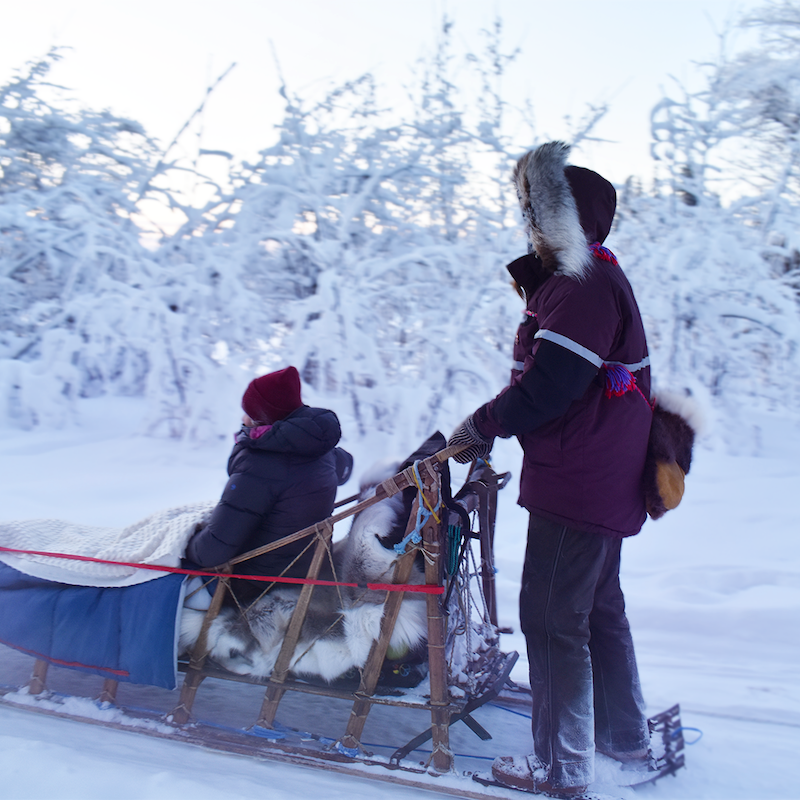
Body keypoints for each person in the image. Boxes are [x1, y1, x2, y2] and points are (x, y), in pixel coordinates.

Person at [448, 141, 653, 795]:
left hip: (579, 480)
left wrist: (479, 425)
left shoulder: (579, 286)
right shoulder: (586, 278)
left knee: (548, 615)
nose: (528, 224)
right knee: (594, 608)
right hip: (598, 473)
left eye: (536, 211)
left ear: (563, 217)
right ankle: (623, 741)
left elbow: (553, 384)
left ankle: (561, 767)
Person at [186, 366, 352, 603]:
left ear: (262, 417)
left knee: (159, 580)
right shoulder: (319, 448)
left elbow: (212, 552)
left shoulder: (260, 465)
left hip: (255, 586)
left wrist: (184, 543)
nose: (243, 419)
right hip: (309, 571)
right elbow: (344, 467)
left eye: (248, 412)